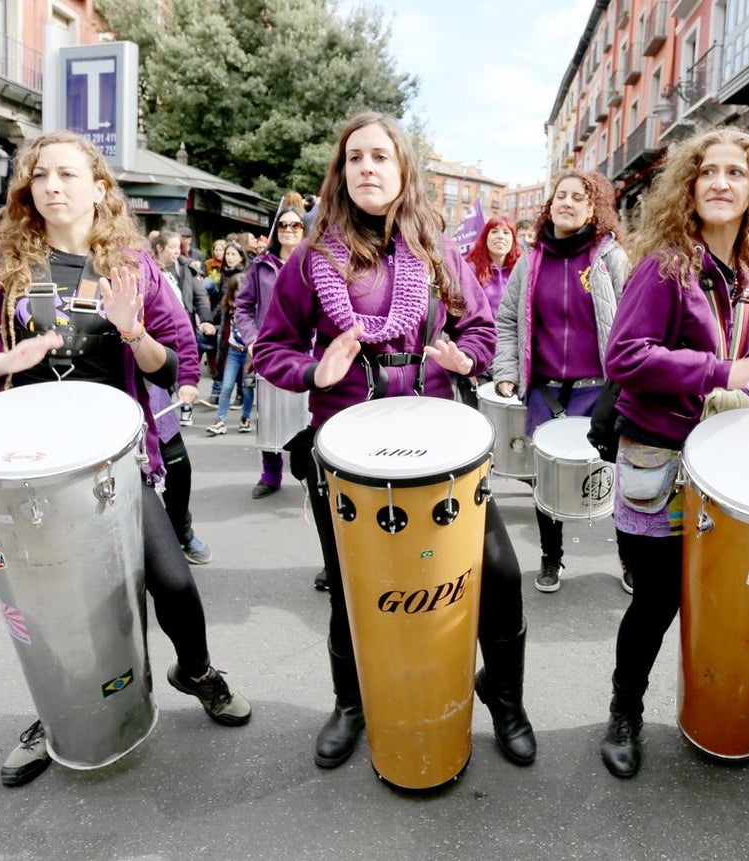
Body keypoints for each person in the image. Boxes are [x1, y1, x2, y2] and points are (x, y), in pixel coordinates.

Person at [253, 111, 536, 771]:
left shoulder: (435, 247)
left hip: (442, 448)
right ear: (341, 171)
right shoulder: (311, 256)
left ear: (403, 170)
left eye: (380, 156)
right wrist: (312, 370)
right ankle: (351, 703)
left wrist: (468, 358)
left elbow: (482, 328)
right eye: (355, 158)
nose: (367, 168)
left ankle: (505, 695)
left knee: (498, 573)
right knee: (354, 584)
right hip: (346, 450)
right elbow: (271, 347)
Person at [0, 131, 251, 788]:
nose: (51, 186)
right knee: (48, 610)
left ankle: (195, 670)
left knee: (174, 582)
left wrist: (135, 333)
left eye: (68, 175)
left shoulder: (131, 265)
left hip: (115, 462)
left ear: (100, 186)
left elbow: (176, 364)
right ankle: (56, 716)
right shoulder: (2, 264)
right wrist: (5, 361)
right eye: (40, 176)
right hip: (29, 470)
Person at [597, 127, 749, 779]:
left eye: (736, 172)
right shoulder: (663, 263)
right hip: (662, 458)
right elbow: (624, 356)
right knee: (656, 599)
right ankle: (626, 708)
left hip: (738, 465)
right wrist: (723, 370)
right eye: (707, 170)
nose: (719, 181)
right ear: (688, 184)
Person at [493, 171, 632, 594]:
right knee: (546, 477)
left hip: (599, 390)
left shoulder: (610, 258)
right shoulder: (530, 260)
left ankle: (629, 559)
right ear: (550, 205)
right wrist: (507, 372)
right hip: (546, 389)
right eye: (561, 196)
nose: (567, 203)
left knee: (616, 479)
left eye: (579, 198)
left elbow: (631, 323)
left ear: (594, 209)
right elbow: (507, 320)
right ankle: (551, 557)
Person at [235, 206, 308, 498]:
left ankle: (310, 475)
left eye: (296, 225)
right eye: (283, 225)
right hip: (269, 351)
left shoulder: (313, 263)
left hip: (305, 352)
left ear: (304, 230)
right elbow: (242, 307)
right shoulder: (260, 265)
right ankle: (271, 475)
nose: (289, 229)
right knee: (269, 416)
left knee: (307, 417)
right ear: (276, 230)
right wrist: (253, 340)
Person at [151, 229, 215, 425]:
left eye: (178, 247)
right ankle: (159, 412)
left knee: (185, 366)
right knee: (160, 373)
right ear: (159, 248)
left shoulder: (185, 269)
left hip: (183, 328)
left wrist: (206, 320)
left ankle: (185, 407)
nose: (176, 252)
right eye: (171, 247)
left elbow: (200, 296)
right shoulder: (148, 269)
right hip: (157, 332)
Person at [205, 273, 254, 435]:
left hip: (248, 352)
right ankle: (220, 420)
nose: (241, 293)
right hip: (233, 351)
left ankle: (245, 418)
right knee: (226, 386)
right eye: (237, 290)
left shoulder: (254, 306)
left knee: (247, 388)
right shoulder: (228, 305)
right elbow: (216, 318)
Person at [464, 216, 521, 321]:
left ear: (513, 241)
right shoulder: (470, 270)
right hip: (481, 335)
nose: (500, 236)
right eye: (494, 232)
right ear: (485, 238)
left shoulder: (521, 272)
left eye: (506, 233)